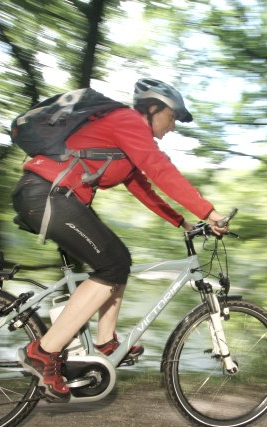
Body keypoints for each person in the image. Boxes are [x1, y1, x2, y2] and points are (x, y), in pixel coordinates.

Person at [12, 78, 228, 402]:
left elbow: (144, 188)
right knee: (112, 264)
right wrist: (208, 211)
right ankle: (43, 353)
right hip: (48, 195)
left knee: (118, 262)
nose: (172, 126)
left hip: (55, 197)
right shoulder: (127, 121)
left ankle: (104, 343)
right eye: (172, 117)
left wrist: (182, 221)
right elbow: (160, 169)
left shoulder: (125, 148)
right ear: (152, 108)